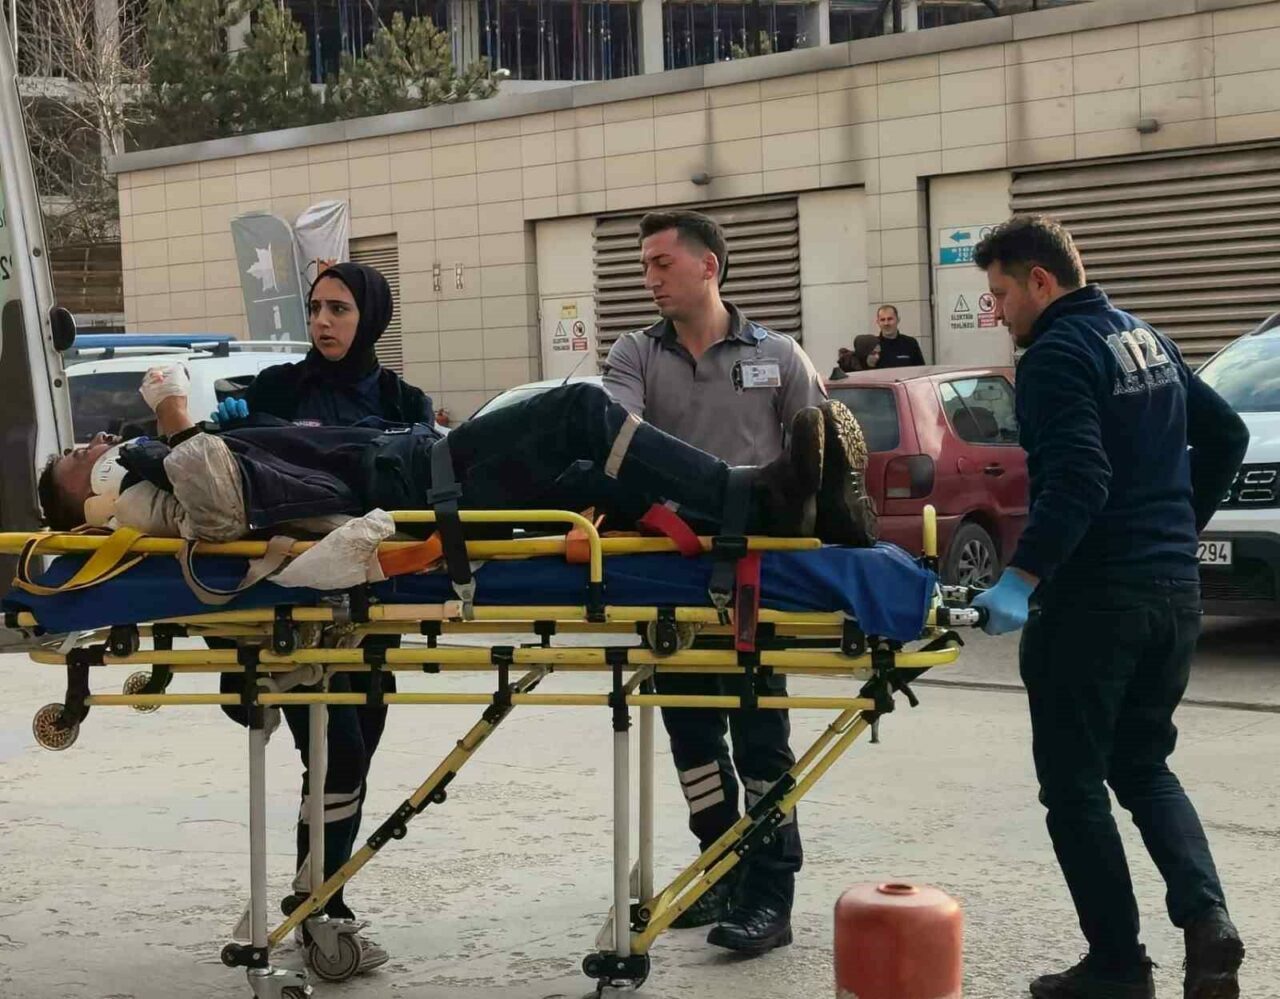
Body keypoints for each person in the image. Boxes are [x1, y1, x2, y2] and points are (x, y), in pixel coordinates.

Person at [970, 215, 1249, 999]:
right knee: (1144, 764)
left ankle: (1118, 965)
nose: (998, 313)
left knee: (1073, 785)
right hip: (1172, 594)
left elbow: (1080, 479)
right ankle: (1208, 920)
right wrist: (1175, 529)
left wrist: (1022, 578)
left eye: (1000, 294)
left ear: (1041, 281)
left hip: (1094, 604)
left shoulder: (1056, 354)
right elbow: (1225, 435)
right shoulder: (1144, 338)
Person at [603, 209, 874, 957]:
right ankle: (722, 865)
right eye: (645, 265)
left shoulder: (779, 356)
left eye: (661, 263)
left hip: (757, 575)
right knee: (692, 736)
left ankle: (769, 893)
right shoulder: (635, 354)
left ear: (709, 266)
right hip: (671, 567)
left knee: (761, 738)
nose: (649, 278)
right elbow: (619, 443)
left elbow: (822, 463)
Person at [209, 262, 431, 974]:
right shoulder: (277, 388)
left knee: (350, 754)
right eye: (315, 309)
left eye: (338, 308)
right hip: (293, 609)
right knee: (339, 752)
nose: (323, 322)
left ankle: (317, 894)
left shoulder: (405, 400)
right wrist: (230, 425)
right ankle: (321, 906)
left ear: (371, 317)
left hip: (371, 606)